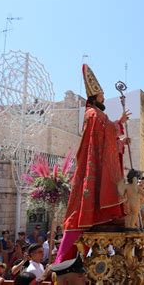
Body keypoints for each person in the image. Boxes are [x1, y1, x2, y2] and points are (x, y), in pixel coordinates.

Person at [56, 64, 129, 262]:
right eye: (102, 94)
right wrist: (119, 122)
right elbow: (102, 133)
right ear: (95, 96)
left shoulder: (96, 113)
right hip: (93, 162)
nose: (104, 97)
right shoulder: (93, 114)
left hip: (98, 157)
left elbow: (104, 138)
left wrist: (119, 141)